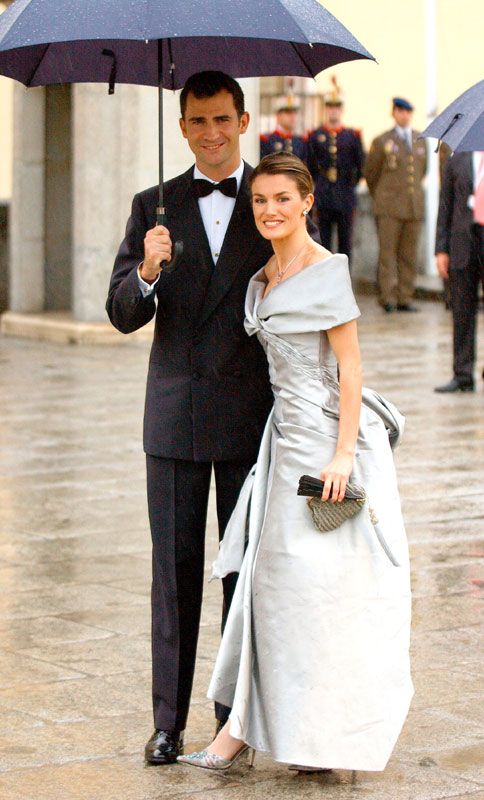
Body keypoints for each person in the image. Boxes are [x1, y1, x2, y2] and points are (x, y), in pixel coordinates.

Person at [106, 71, 318, 766]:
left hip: (249, 421)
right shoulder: (152, 206)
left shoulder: (269, 200)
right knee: (174, 575)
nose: (211, 133)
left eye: (223, 119)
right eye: (198, 121)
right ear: (182, 127)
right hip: (171, 419)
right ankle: (167, 721)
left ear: (244, 119)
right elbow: (120, 313)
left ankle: (235, 719)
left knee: (243, 575)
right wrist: (146, 270)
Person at [177, 154, 413, 773]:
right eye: (259, 200)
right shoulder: (262, 278)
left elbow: (351, 367)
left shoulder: (327, 272)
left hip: (326, 452)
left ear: (308, 201)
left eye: (282, 198)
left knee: (318, 595)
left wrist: (341, 456)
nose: (270, 210)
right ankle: (250, 731)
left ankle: (304, 736)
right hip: (282, 446)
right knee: (271, 590)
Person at [364, 97, 427, 312]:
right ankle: (388, 297)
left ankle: (405, 296)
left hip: (413, 207)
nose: (404, 115)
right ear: (394, 113)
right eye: (400, 111)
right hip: (389, 207)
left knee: (409, 255)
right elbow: (371, 174)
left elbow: (422, 171)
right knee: (388, 254)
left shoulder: (420, 139)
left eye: (408, 111)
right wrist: (382, 196)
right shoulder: (382, 141)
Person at [434, 151, 484, 393]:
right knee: (462, 309)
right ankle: (463, 374)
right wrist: (441, 249)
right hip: (462, 243)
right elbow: (445, 205)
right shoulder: (457, 158)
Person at [307, 82, 365, 263]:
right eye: (330, 107)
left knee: (345, 243)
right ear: (326, 110)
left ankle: (345, 282)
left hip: (345, 195)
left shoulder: (352, 136)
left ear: (341, 110)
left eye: (337, 107)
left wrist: (350, 184)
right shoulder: (316, 135)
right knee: (322, 242)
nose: (333, 111)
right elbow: (310, 165)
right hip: (324, 196)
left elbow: (361, 166)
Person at [260, 97, 308, 162]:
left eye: (294, 113)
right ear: (278, 116)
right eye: (288, 113)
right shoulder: (267, 141)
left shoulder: (301, 141)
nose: (292, 116)